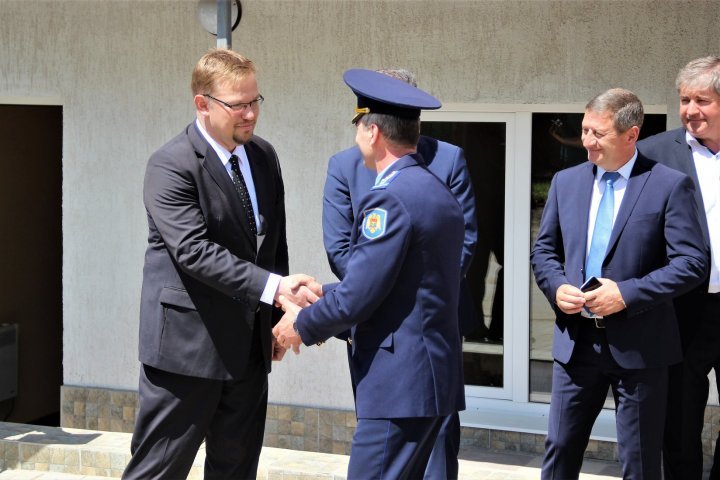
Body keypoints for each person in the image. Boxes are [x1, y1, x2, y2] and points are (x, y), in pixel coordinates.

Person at [123, 49, 321, 480]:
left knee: (236, 471)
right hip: (185, 356)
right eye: (238, 105)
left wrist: (279, 314)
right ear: (202, 104)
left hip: (248, 354)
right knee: (158, 472)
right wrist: (275, 288)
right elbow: (194, 251)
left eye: (255, 101)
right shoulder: (170, 164)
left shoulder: (263, 157)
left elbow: (271, 247)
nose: (250, 114)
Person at [273, 68, 466, 479]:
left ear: (373, 132)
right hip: (426, 382)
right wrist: (323, 293)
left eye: (358, 126)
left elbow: (362, 292)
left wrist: (302, 325)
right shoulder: (434, 190)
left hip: (398, 385)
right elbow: (405, 281)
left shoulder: (390, 200)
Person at [531, 88, 708, 479]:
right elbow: (543, 252)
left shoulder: (668, 185)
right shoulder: (566, 182)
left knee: (640, 461)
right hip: (575, 345)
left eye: (598, 133)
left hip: (641, 349)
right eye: (584, 130)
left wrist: (626, 294)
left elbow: (692, 263)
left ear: (631, 135)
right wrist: (556, 286)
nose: (587, 141)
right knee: (559, 453)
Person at [636, 56, 720, 479]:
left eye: (701, 100)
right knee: (681, 407)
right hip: (682, 304)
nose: (690, 110)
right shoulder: (653, 154)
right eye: (685, 99)